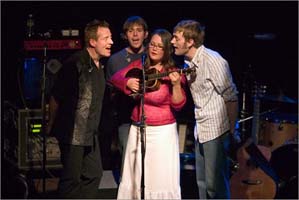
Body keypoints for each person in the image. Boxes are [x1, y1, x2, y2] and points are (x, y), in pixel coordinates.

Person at [109, 29, 186, 199]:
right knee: (135, 176)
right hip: (138, 128)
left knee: (159, 177)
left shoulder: (173, 71)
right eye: (152, 44)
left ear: (167, 50)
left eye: (160, 46)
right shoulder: (140, 65)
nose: (154, 48)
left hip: (163, 133)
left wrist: (176, 85)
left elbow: (178, 105)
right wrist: (127, 82)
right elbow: (114, 78)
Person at [171, 19, 239, 199]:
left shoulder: (213, 60)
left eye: (176, 38)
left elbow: (231, 97)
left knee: (214, 186)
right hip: (201, 128)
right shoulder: (188, 61)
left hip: (217, 130)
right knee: (202, 183)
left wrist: (232, 130)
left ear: (190, 41)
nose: (172, 41)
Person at [47, 19, 113, 199]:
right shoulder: (75, 63)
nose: (111, 42)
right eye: (106, 38)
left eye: (111, 38)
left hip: (90, 134)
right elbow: (55, 96)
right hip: (73, 133)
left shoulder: (100, 66)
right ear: (92, 42)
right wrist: (51, 122)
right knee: (71, 180)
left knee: (94, 174)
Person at [105, 16, 148, 179]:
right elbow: (109, 92)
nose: (135, 35)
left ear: (146, 34)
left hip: (152, 119)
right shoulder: (115, 60)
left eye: (139, 30)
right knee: (128, 162)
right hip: (125, 120)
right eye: (131, 31)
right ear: (125, 35)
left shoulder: (153, 54)